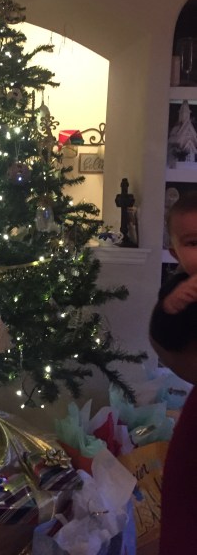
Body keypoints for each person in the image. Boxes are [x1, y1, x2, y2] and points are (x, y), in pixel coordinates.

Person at [149, 191, 197, 554]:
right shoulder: (179, 287)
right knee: (184, 487)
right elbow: (165, 338)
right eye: (194, 244)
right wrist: (171, 306)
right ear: (175, 252)